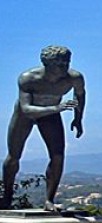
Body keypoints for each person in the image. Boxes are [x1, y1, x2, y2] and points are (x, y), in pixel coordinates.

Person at [2, 46, 85, 211]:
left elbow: (80, 94)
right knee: (13, 156)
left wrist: (78, 118)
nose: (63, 67)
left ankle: (49, 200)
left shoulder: (74, 78)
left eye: (66, 63)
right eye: (58, 64)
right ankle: (7, 195)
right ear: (47, 64)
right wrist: (58, 108)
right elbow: (26, 108)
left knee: (58, 156)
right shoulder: (28, 78)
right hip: (24, 116)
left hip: (51, 115)